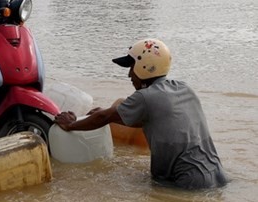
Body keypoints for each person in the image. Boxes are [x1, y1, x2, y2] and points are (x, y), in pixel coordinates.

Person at [55, 38, 228, 190]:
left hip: (187, 181)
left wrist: (71, 124)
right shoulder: (184, 88)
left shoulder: (145, 97)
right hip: (219, 175)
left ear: (144, 67)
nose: (130, 74)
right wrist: (106, 113)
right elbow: (154, 120)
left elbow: (104, 118)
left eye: (131, 67)